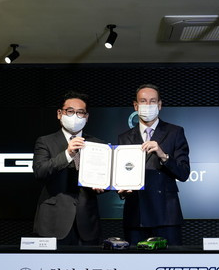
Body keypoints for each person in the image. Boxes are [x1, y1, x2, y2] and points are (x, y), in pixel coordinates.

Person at [118, 84, 190, 245]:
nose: (148, 105)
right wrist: (120, 189)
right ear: (136, 106)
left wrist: (163, 155)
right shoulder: (124, 137)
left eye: (152, 101)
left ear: (159, 105)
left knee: (169, 260)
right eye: (143, 101)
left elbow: (184, 173)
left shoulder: (175, 132)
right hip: (136, 215)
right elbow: (122, 173)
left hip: (166, 215)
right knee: (135, 261)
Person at [32, 91, 105, 245]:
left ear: (86, 117)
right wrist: (68, 154)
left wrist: (105, 186)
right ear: (60, 114)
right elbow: (40, 172)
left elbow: (105, 180)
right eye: (70, 111)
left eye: (80, 112)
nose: (75, 116)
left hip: (87, 221)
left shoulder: (98, 145)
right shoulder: (45, 142)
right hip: (54, 221)